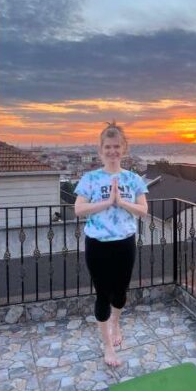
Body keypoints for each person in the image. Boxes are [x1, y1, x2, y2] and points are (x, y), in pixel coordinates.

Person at [73, 122, 148, 367]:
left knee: (121, 292)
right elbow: (78, 209)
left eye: (117, 146)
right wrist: (106, 202)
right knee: (102, 295)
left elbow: (143, 210)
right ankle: (107, 345)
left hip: (125, 243)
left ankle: (116, 322)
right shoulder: (90, 178)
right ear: (100, 149)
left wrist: (121, 202)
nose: (112, 151)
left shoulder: (133, 178)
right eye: (108, 146)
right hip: (98, 245)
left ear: (124, 148)